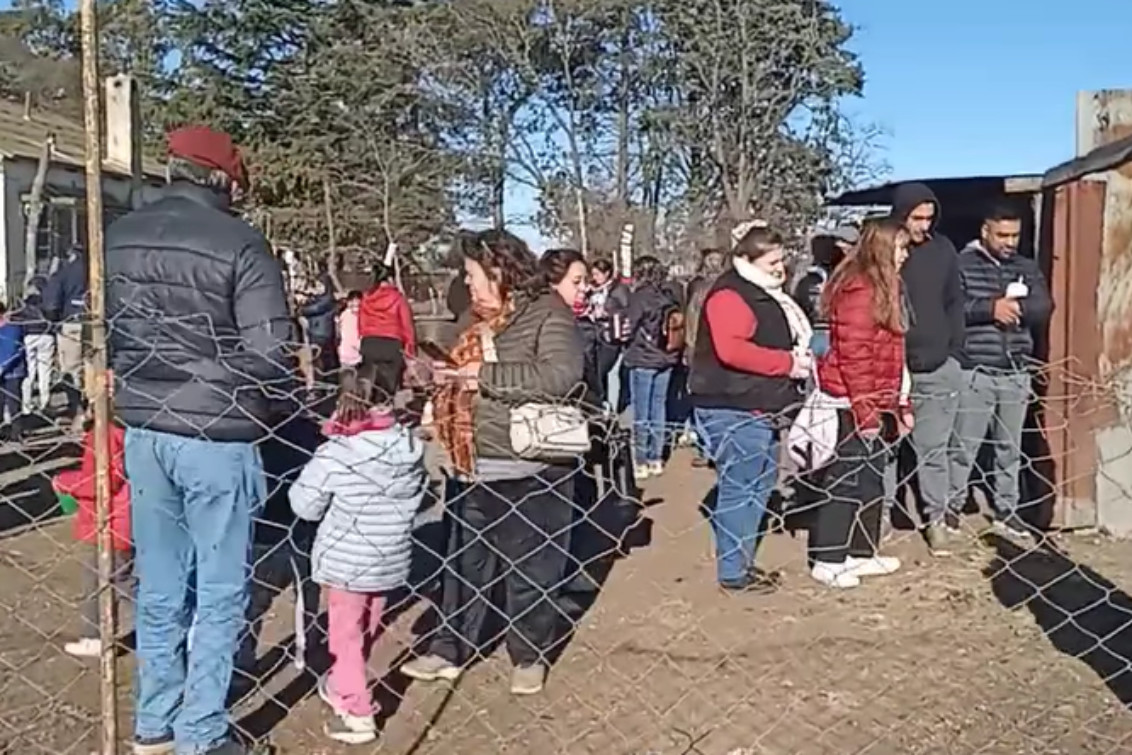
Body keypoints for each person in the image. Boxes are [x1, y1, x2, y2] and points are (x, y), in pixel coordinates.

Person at [106, 125, 293, 755]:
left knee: (159, 583)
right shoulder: (241, 242)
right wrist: (211, 369)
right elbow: (270, 351)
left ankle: (153, 720)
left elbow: (110, 330)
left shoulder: (120, 234)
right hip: (217, 430)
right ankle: (202, 733)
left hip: (144, 426)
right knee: (220, 590)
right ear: (222, 178)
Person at [400, 228, 583, 697]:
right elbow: (458, 372)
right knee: (463, 566)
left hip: (532, 468)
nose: (469, 282)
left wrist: (483, 375)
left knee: (534, 571)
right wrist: (439, 375)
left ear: (498, 269)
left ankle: (529, 654)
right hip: (471, 463)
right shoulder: (471, 318)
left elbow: (560, 376)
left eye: (472, 273)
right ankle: (450, 647)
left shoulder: (548, 313)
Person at [290, 362, 426, 745]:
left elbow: (304, 505)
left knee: (344, 637)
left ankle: (356, 709)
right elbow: (419, 496)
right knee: (365, 629)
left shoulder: (339, 452)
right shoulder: (410, 447)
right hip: (390, 556)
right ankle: (342, 680)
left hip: (347, 559)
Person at [689, 225, 811, 592]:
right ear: (747, 259)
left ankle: (740, 560)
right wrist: (786, 363)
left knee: (757, 484)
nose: (780, 268)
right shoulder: (730, 295)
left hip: (758, 403)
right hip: (733, 404)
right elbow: (732, 350)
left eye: (782, 260)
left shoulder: (762, 293)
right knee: (741, 486)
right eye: (773, 261)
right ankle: (733, 569)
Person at [808, 218, 911, 588]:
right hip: (850, 403)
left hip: (879, 401)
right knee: (846, 479)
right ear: (882, 248)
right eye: (900, 247)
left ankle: (860, 552)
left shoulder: (887, 287)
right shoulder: (859, 290)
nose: (905, 254)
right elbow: (856, 357)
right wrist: (866, 412)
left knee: (872, 480)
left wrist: (900, 406)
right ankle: (829, 558)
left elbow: (893, 356)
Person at [949, 202, 1051, 543]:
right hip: (975, 369)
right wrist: (989, 309)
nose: (1010, 242)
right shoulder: (961, 264)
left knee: (1010, 447)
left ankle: (1007, 511)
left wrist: (1019, 309)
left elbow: (1044, 305)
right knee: (964, 445)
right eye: (1003, 234)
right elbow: (950, 308)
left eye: (1015, 235)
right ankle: (951, 510)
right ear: (985, 232)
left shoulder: (1025, 267)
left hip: (1015, 370)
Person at [890, 182, 965, 554]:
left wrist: (955, 350)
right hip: (891, 367)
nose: (923, 225)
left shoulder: (943, 250)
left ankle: (936, 519)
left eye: (928, 217)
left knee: (933, 449)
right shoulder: (885, 251)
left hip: (936, 364)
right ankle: (882, 516)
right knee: (886, 447)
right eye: (916, 217)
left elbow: (955, 300)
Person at [54, 381, 132, 658]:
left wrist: (64, 482)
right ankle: (163, 626)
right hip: (127, 517)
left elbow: (100, 480)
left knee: (100, 581)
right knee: (125, 578)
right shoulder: (129, 430)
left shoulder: (104, 435)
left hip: (109, 520)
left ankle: (94, 637)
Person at [622, 255, 681, 479]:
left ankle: (641, 460)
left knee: (641, 411)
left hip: (643, 358)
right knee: (659, 408)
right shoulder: (668, 295)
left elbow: (631, 325)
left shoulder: (640, 297)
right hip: (666, 357)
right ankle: (657, 458)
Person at [43, 243, 87, 424]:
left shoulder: (64, 273)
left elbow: (51, 302)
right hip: (96, 322)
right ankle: (94, 407)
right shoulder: (97, 269)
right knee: (93, 366)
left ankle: (77, 409)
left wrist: (53, 322)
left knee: (70, 369)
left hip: (71, 323)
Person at [583, 258, 629, 411]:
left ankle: (612, 406)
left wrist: (607, 312)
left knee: (605, 370)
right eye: (593, 274)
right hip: (596, 334)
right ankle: (602, 402)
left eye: (597, 274)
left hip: (611, 336)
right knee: (597, 372)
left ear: (607, 273)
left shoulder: (618, 289)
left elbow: (625, 309)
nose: (594, 277)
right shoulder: (593, 290)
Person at [358, 260, 416, 372]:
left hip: (369, 342)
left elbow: (361, 323)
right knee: (389, 385)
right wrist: (410, 350)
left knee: (371, 384)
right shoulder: (398, 298)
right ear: (391, 278)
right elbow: (407, 325)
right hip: (391, 344)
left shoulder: (366, 298)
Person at [13, 284, 54, 416]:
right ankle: (45, 402)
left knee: (29, 372)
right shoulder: (46, 303)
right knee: (45, 371)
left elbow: (17, 322)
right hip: (46, 335)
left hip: (28, 336)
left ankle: (27, 405)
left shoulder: (23, 307)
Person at [299, 267, 339, 387]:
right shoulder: (318, 298)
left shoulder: (326, 300)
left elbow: (314, 309)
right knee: (319, 361)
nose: (318, 288)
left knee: (321, 361)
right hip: (316, 332)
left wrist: (302, 309)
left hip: (322, 333)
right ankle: (323, 383)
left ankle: (324, 384)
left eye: (320, 285)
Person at [0, 302, 25, 434]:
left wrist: (3, 367)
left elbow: (13, 351)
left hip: (12, 372)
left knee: (13, 403)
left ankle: (17, 433)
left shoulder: (12, 329)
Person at [337, 290, 363, 369]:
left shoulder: (344, 314)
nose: (355, 305)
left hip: (352, 353)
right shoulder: (346, 315)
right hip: (349, 353)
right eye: (352, 302)